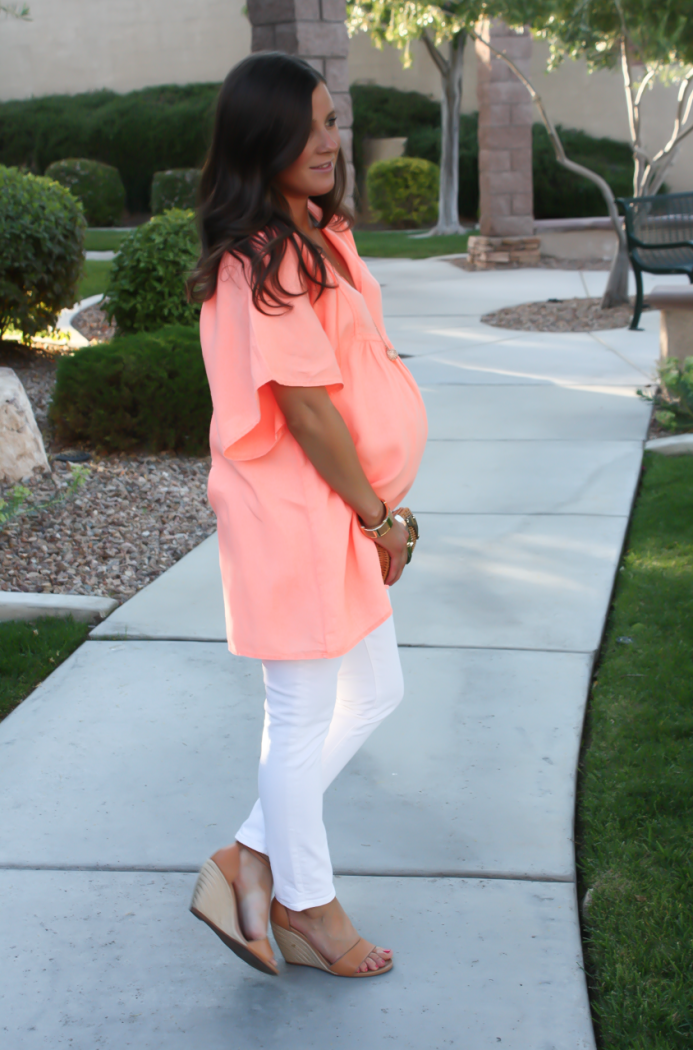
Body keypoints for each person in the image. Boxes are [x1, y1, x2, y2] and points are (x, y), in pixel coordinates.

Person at [187, 51, 427, 979]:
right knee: (299, 714)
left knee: (376, 692)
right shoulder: (265, 255)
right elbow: (307, 406)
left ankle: (248, 855)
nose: (332, 140)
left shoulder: (313, 235)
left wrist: (374, 510)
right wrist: (378, 519)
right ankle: (309, 907)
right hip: (296, 516)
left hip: (335, 512)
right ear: (263, 137)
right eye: (313, 124)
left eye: (334, 122)